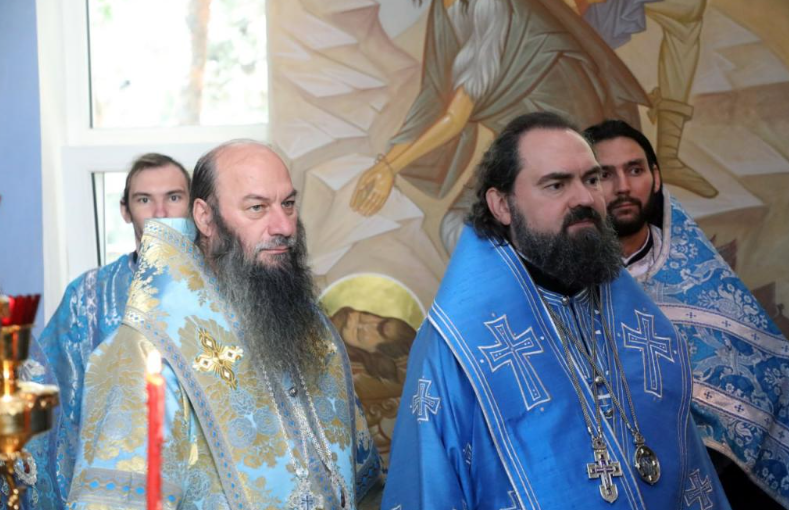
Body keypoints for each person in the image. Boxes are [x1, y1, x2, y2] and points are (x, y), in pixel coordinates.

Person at [382, 112, 729, 509]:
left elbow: (692, 476)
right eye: (556, 184)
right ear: (502, 205)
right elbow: (429, 491)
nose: (584, 198)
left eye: (591, 179)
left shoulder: (641, 322)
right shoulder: (456, 347)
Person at [66, 141, 381, 509]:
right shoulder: (150, 351)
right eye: (257, 207)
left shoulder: (308, 324)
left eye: (288, 204)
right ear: (205, 217)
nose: (283, 226)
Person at [586, 118, 789, 508]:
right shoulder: (572, 287)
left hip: (730, 476)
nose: (623, 186)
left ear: (656, 178)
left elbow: (768, 378)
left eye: (635, 170)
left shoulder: (700, 275)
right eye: (604, 175)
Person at [349, 0, 648, 258]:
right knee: (466, 227)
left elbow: (456, 114)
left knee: (474, 226)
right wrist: (386, 166)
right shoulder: (445, 8)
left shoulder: (491, 6)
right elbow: (434, 99)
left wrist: (389, 168)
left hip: (561, 126)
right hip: (520, 133)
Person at [14, 154, 190, 509]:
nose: (160, 212)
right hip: (113, 490)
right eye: (144, 199)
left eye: (174, 197)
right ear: (125, 210)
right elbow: (52, 396)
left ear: (195, 207)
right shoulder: (88, 295)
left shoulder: (221, 293)